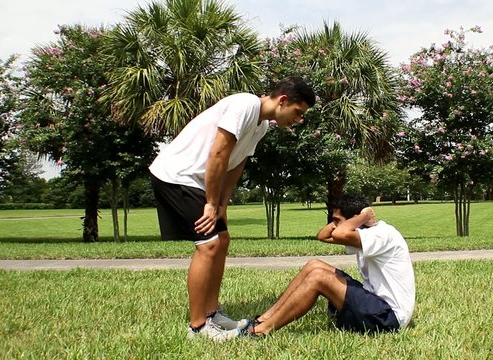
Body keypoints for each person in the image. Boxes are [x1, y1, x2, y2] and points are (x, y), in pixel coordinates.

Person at [148, 77, 316, 340]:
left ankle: (212, 313)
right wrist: (210, 203)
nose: (298, 120)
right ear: (283, 100)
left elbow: (235, 165)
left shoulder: (260, 126)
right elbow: (218, 154)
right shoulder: (245, 105)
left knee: (222, 240)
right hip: (178, 175)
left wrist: (222, 204)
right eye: (298, 112)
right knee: (209, 245)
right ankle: (198, 327)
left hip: (199, 181)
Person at [214, 193, 416, 341]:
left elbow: (337, 234)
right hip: (376, 306)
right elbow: (323, 235)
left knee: (318, 278)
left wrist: (362, 217)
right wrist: (352, 218)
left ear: (355, 221)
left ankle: (259, 332)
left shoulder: (381, 234)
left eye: (337, 221)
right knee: (314, 266)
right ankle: (261, 320)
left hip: (388, 318)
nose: (334, 225)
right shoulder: (366, 232)